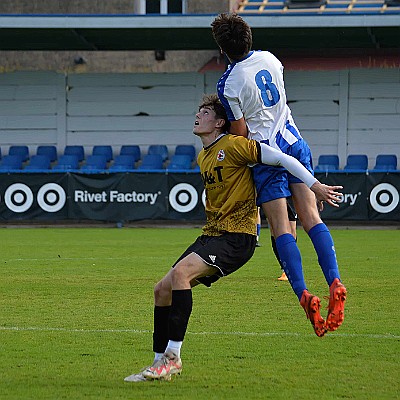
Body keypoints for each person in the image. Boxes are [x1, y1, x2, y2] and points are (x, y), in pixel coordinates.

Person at [124, 94, 342, 382]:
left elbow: (280, 158)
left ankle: (173, 358)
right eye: (198, 111)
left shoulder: (236, 146)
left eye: (204, 112)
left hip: (238, 237)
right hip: (213, 233)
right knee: (161, 290)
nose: (197, 116)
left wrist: (312, 187)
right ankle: (157, 364)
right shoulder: (203, 155)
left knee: (180, 275)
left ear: (219, 122)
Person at [211, 13, 347, 337]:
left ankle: (303, 294)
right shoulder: (271, 59)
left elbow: (241, 131)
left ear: (221, 48)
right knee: (311, 218)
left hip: (267, 157)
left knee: (280, 227)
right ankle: (335, 281)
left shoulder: (229, 83)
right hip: (293, 141)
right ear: (249, 37)